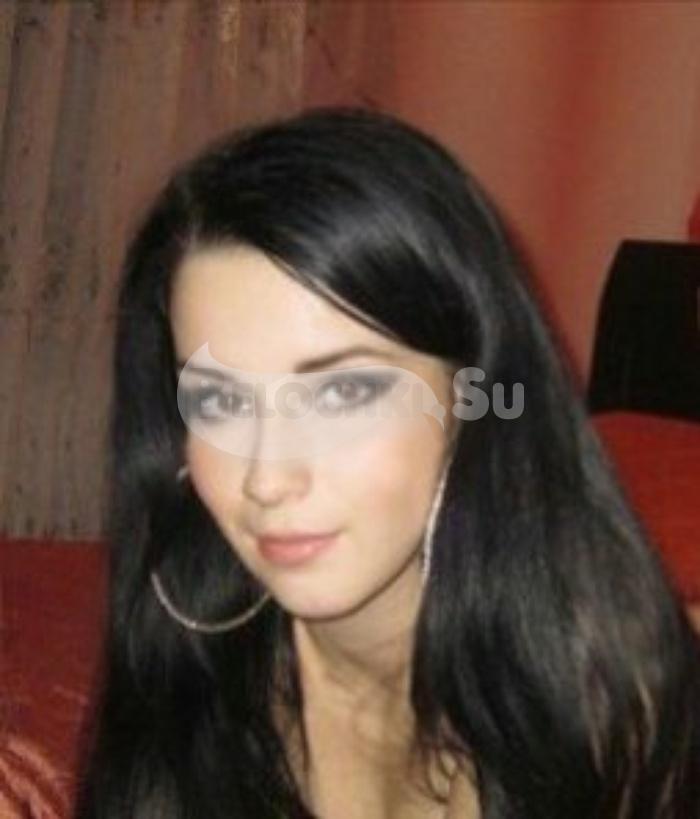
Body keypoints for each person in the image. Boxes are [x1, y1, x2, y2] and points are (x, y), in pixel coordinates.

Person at [74, 107, 699, 819]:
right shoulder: (182, 662)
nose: (268, 479)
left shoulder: (618, 710)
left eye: (344, 391)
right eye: (219, 400)